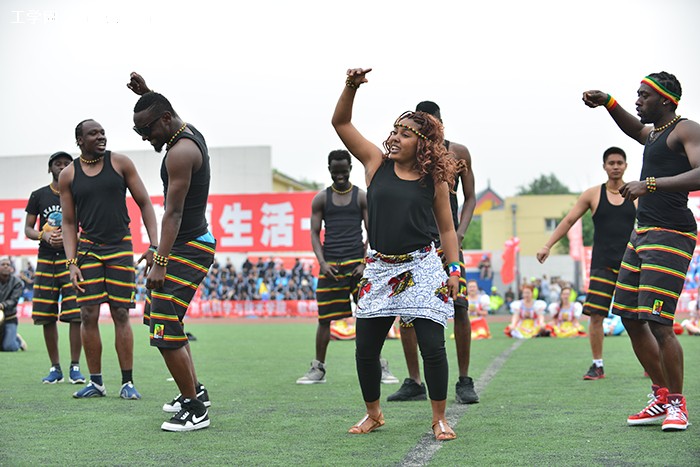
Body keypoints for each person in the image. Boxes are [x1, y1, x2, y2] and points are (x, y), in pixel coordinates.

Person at [332, 67, 460, 441]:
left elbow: (447, 229)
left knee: (432, 348)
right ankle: (374, 414)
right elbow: (341, 123)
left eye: (405, 134)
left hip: (422, 267)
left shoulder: (433, 180)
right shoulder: (376, 164)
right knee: (365, 350)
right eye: (394, 131)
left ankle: (439, 418)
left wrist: (454, 269)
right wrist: (351, 86)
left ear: (423, 143)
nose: (394, 138)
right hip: (380, 268)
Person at [583, 71, 700, 431]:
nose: (638, 101)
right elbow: (634, 128)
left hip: (671, 234)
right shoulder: (654, 134)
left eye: (643, 96)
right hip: (642, 235)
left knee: (659, 323)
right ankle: (661, 395)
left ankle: (677, 405)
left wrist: (649, 184)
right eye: (636, 95)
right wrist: (608, 102)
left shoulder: (685, 129)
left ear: (665, 100)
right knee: (631, 318)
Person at [128, 72, 216, 432]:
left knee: (164, 326)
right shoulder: (186, 132)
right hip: (185, 243)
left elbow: (173, 213)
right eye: (138, 132)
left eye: (147, 130)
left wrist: (160, 260)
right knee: (165, 321)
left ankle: (195, 410)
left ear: (165, 120)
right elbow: (165, 111)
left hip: (189, 246)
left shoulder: (180, 153)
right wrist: (149, 93)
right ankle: (194, 392)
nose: (145, 137)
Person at [387, 100, 479, 406]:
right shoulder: (406, 155)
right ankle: (415, 381)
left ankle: (464, 380)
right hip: (414, 243)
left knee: (460, 305)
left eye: (430, 124)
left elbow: (470, 198)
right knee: (407, 310)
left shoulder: (458, 153)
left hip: (446, 241)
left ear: (439, 125)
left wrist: (459, 234)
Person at [59, 119, 158, 400]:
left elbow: (145, 203)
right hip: (88, 250)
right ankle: (96, 383)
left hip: (120, 247)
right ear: (80, 140)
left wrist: (154, 245)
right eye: (94, 134)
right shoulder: (68, 175)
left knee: (121, 313)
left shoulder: (120, 163)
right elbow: (69, 222)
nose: (101, 137)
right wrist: (71, 263)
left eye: (102, 132)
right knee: (87, 314)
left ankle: (127, 382)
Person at [297, 149, 397, 385]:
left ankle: (379, 365)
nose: (340, 176)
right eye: (335, 172)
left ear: (350, 169)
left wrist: (364, 262)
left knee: (369, 316)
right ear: (329, 170)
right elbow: (314, 233)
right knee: (324, 319)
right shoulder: (321, 199)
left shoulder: (361, 197)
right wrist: (322, 263)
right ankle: (318, 368)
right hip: (330, 266)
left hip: (357, 267)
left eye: (344, 171)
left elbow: (372, 231)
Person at [536, 147, 635, 379]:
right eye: (611, 163)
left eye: (619, 162)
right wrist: (547, 245)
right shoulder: (593, 194)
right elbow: (569, 220)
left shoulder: (635, 194)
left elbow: (651, 225)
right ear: (604, 166)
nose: (615, 166)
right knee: (597, 316)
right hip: (602, 264)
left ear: (625, 166)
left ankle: (650, 363)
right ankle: (597, 365)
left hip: (630, 265)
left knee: (637, 317)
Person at [25, 151, 85, 384]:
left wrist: (72, 238)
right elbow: (28, 229)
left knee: (75, 315)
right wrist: (45, 236)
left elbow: (86, 226)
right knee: (46, 315)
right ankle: (55, 368)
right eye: (57, 164)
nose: (62, 167)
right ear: (50, 168)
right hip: (46, 260)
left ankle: (75, 367)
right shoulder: (38, 195)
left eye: (66, 163)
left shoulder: (79, 193)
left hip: (71, 261)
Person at [0, 257, 28, 352]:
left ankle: (18, 341)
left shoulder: (18, 283)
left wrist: (2, 305)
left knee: (8, 347)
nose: (5, 266)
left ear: (11, 268)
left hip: (9, 319)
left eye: (8, 265)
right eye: (3, 264)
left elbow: (14, 300)